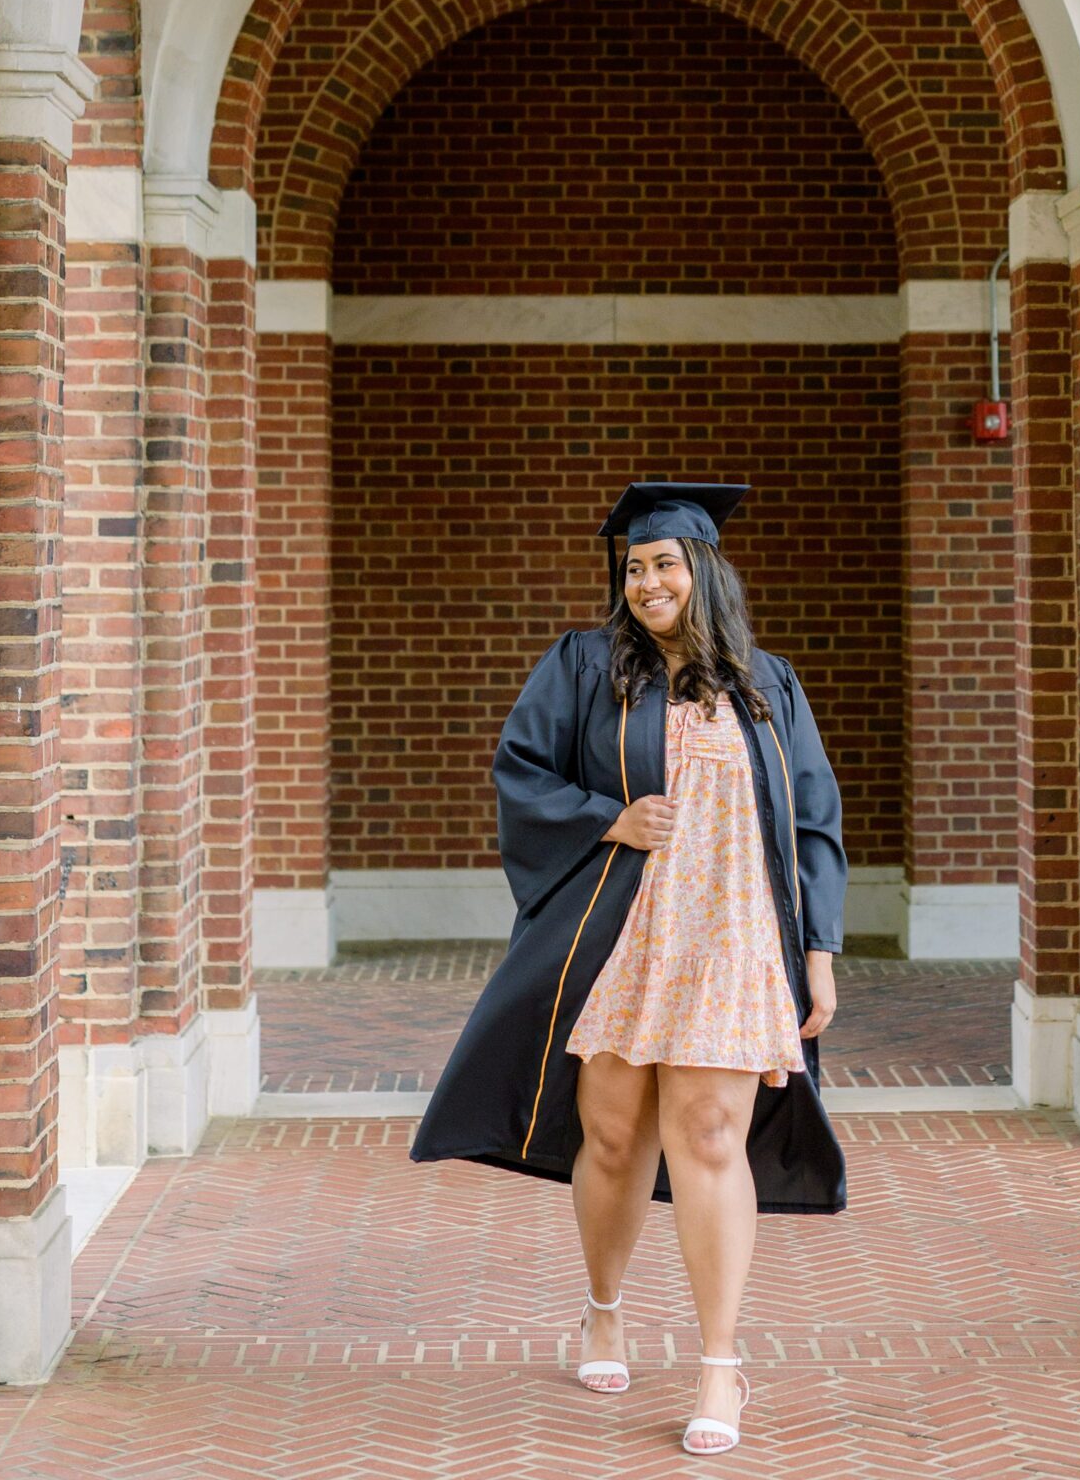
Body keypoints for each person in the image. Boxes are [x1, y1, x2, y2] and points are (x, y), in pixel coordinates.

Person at [412, 480, 847, 1457]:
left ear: (704, 571)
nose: (648, 579)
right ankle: (603, 1307)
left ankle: (719, 1363)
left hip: (733, 941)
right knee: (612, 1138)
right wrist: (605, 816)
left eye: (665, 562)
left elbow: (811, 818)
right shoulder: (583, 669)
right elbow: (519, 769)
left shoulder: (766, 685)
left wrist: (817, 949)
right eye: (635, 565)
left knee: (705, 1135)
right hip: (622, 936)